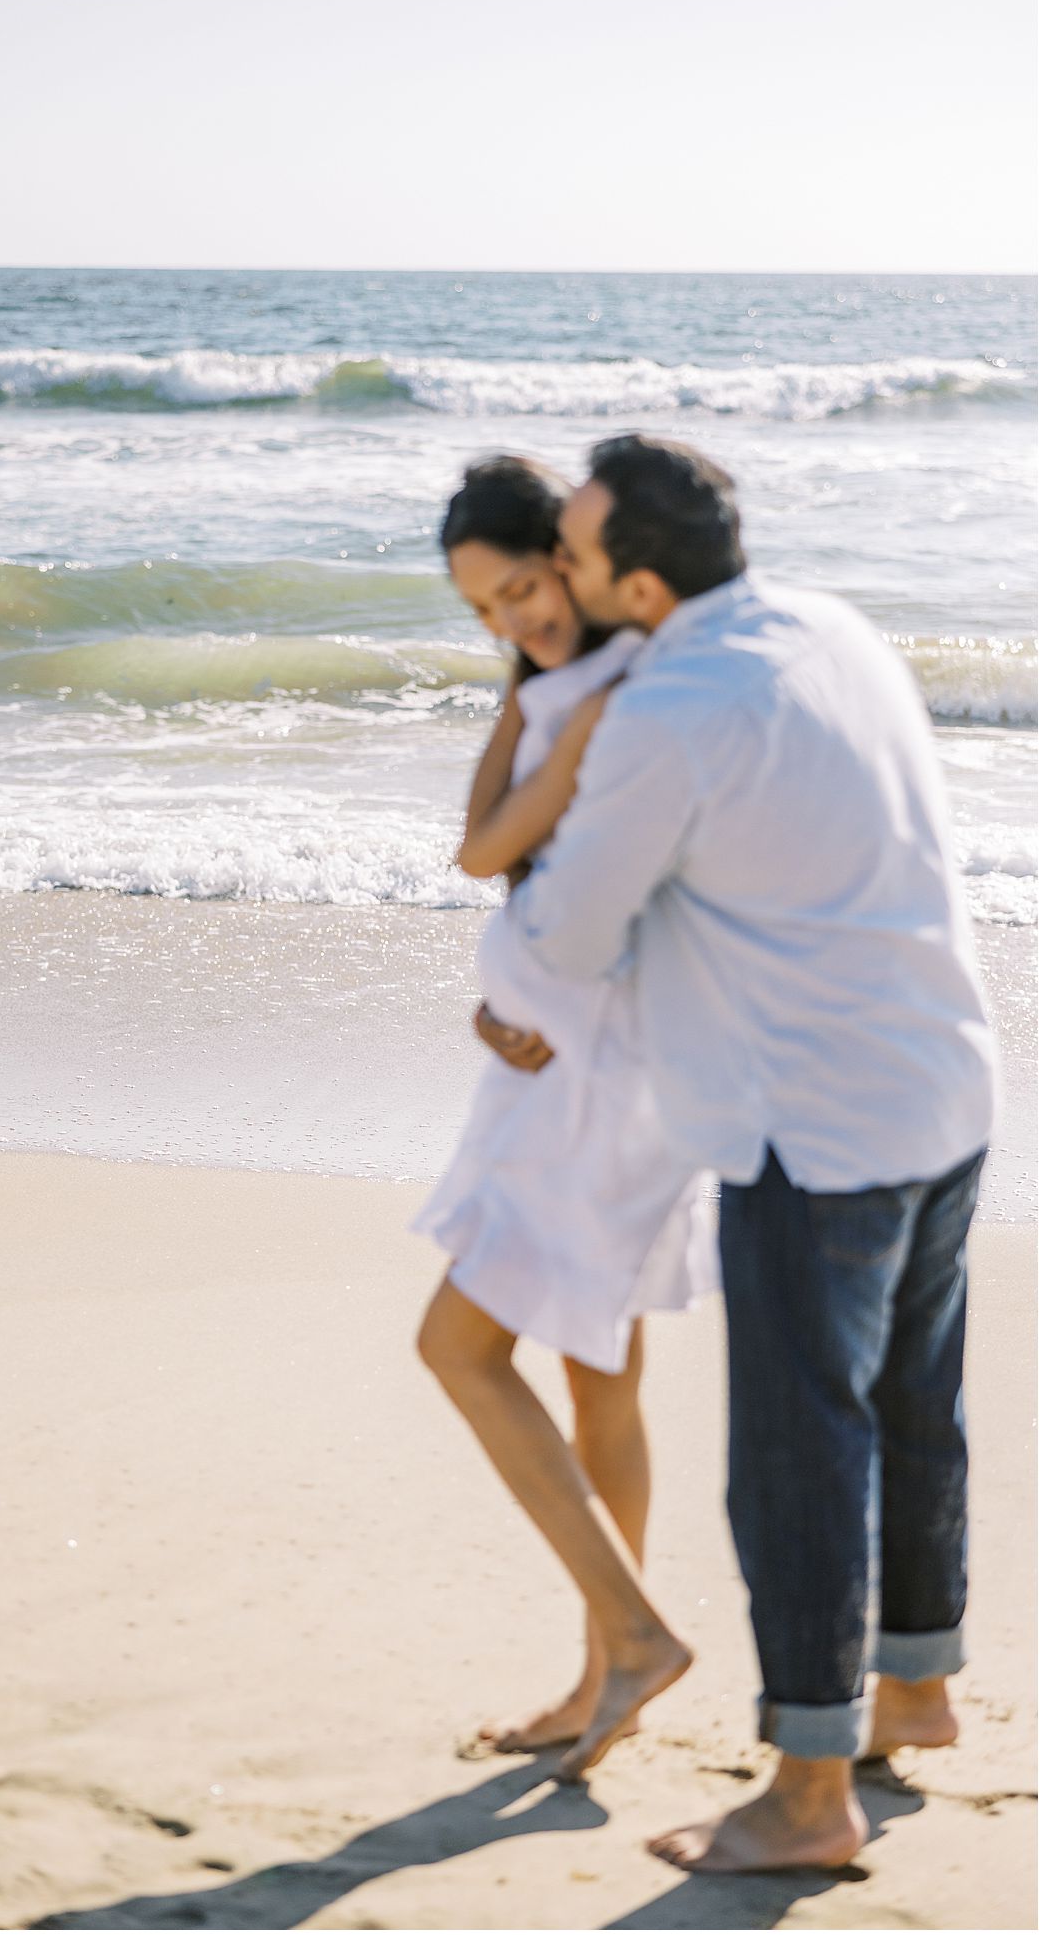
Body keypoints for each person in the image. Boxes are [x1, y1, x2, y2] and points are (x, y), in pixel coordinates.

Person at [480, 433, 995, 1871]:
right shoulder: (831, 625)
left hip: (816, 1129)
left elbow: (571, 931)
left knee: (796, 1452)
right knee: (911, 1411)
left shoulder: (676, 702)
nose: (562, 581)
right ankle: (917, 1684)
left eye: (574, 558)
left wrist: (505, 972)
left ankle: (813, 1794)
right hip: (945, 1082)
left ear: (640, 581)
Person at [414, 457, 715, 1782]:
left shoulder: (619, 693)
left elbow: (489, 853)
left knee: (460, 1346)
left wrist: (559, 718)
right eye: (483, 608)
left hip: (599, 1080)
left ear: (575, 562)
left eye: (525, 586)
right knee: (604, 1372)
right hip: (577, 1063)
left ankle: (633, 1638)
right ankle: (610, 1677)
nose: (511, 620)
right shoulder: (557, 682)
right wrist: (500, 1003)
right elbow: (487, 834)